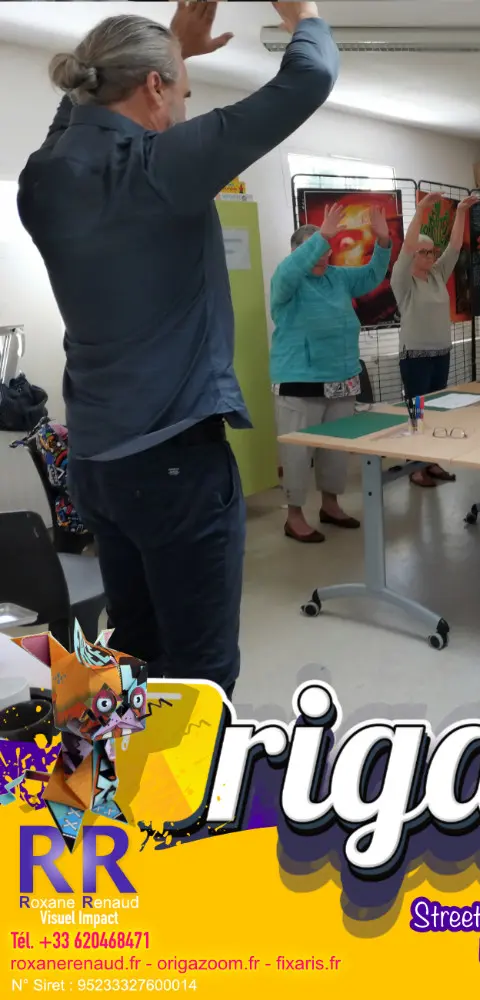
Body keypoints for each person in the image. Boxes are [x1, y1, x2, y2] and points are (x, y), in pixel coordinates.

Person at [17, 2, 338, 698]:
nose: (183, 112)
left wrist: (173, 50)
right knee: (202, 671)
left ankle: (138, 767)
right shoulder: (160, 167)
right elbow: (310, 77)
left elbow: (74, 117)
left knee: (134, 646)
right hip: (174, 466)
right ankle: (196, 774)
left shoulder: (40, 179)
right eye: (182, 94)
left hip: (95, 464)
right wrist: (304, 13)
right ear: (155, 87)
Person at [270, 203, 392, 540]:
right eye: (316, 251)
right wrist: (321, 236)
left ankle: (330, 504)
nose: (323, 257)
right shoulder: (287, 282)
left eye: (326, 251)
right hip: (299, 383)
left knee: (335, 450)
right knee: (297, 454)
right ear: (299, 253)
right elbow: (290, 271)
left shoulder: (337, 278)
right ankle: (294, 515)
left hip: (342, 380)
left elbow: (372, 275)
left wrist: (383, 242)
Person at [391, 191, 478, 488]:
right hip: (415, 356)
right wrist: (421, 210)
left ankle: (431, 461)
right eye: (423, 252)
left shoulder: (438, 274)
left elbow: (454, 247)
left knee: (435, 411)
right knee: (417, 413)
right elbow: (406, 247)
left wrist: (461, 211)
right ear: (412, 255)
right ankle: (415, 466)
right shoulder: (403, 280)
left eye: (431, 252)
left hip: (441, 353)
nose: (429, 256)